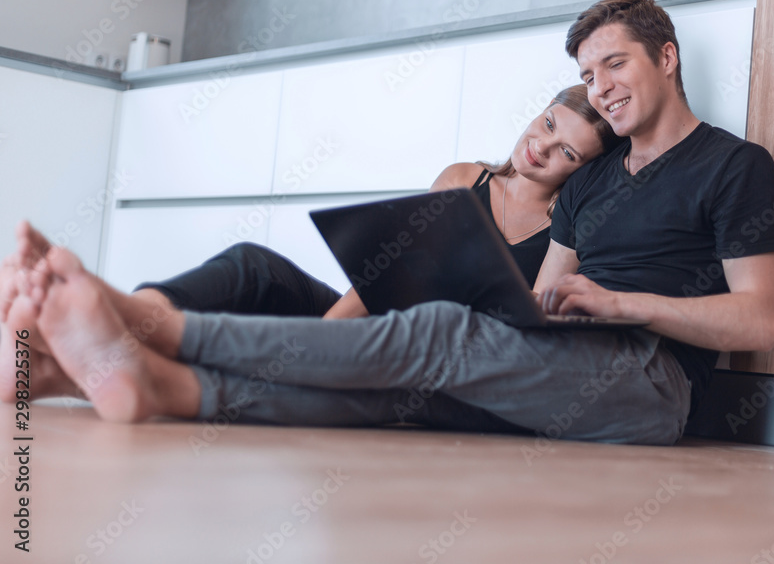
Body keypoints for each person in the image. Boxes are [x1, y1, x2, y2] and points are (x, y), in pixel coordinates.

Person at [2, 0, 774, 446]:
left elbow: (761, 319)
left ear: (668, 57)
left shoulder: (733, 166)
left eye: (616, 63)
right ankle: (123, 382)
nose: (603, 84)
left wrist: (620, 304)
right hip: (571, 361)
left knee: (436, 335)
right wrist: (528, 309)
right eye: (587, 73)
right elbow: (544, 296)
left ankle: (146, 327)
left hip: (651, 383)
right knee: (391, 392)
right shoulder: (591, 184)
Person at [0, 85, 620, 426]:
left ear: (583, 173)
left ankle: (72, 360)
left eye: (567, 151)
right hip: (369, 317)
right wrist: (318, 344)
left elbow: (527, 334)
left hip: (431, 353)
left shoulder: (566, 233)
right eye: (546, 123)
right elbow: (385, 274)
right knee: (253, 264)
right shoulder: (465, 178)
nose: (542, 146)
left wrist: (310, 354)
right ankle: (119, 324)